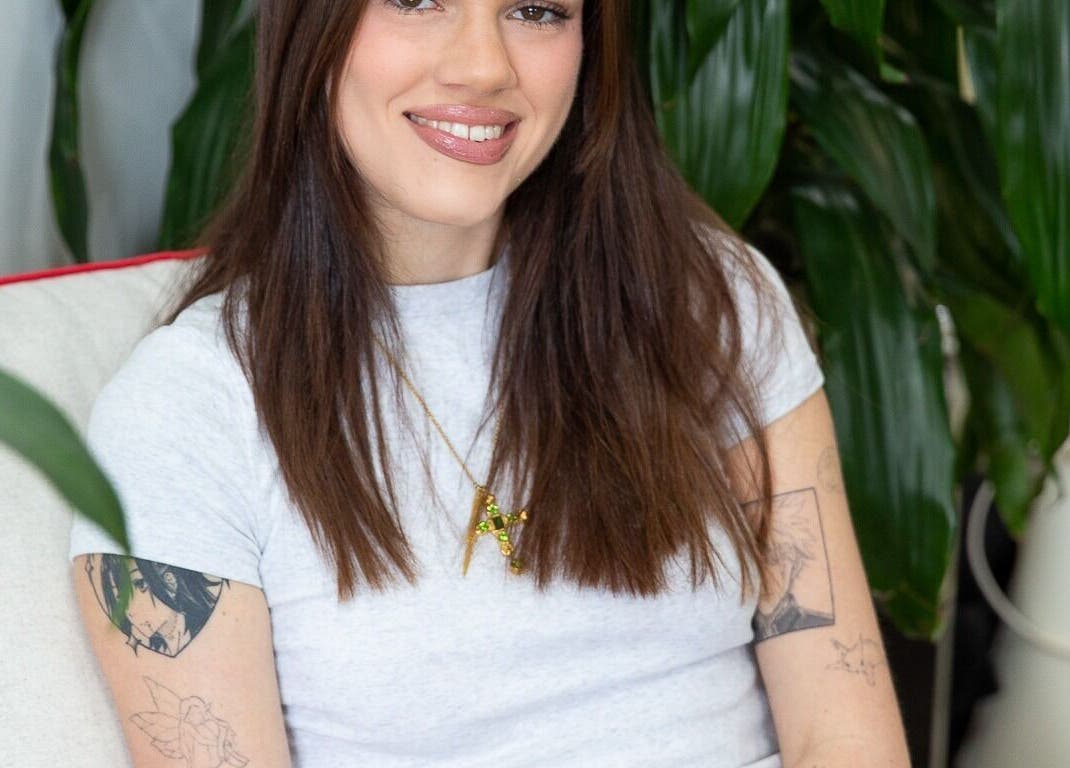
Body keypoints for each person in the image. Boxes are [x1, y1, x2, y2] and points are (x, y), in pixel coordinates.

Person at [71, 1, 911, 766]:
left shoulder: (709, 300)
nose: (483, 66)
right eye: (416, 0)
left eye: (537, 10)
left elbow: (843, 735)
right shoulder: (186, 414)